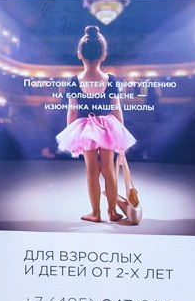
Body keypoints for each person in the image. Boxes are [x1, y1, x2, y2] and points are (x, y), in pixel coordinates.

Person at [54, 25, 137, 223]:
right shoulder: (111, 80)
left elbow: (72, 110)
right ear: (103, 55)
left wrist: (70, 132)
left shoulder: (74, 81)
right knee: (108, 169)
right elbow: (116, 109)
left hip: (84, 129)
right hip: (108, 127)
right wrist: (120, 132)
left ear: (79, 54)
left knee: (92, 171)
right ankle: (112, 212)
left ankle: (95, 213)